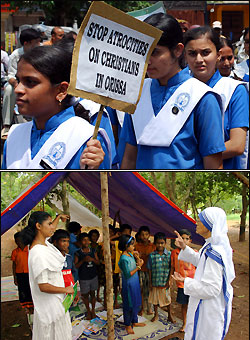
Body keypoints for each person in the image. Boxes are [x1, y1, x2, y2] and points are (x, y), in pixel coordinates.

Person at [121, 13, 225, 169]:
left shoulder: (203, 98)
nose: (147, 60)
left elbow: (214, 165)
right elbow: (129, 158)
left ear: (177, 50)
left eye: (155, 52)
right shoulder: (137, 93)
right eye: (143, 51)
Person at [1, 44, 111, 169]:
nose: (18, 89)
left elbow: (104, 188)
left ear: (61, 90)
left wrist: (94, 172)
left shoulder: (88, 140)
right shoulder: (15, 135)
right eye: (18, 80)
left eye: (30, 82)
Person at [184, 26, 249, 169]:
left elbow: (237, 145)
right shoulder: (179, 89)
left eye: (206, 52)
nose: (199, 59)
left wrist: (187, 155)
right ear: (185, 55)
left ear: (218, 54)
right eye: (192, 53)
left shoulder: (235, 90)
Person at [172, 207, 235, 340]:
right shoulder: (210, 246)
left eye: (200, 221)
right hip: (206, 305)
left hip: (208, 309)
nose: (196, 223)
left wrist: (186, 282)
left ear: (209, 225)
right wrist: (184, 247)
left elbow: (212, 289)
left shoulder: (214, 253)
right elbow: (201, 260)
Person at [18, 211, 74, 340]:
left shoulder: (44, 243)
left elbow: (50, 230)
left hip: (56, 302)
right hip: (50, 307)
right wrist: (65, 289)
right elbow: (43, 286)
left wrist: (58, 217)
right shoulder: (39, 253)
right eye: (49, 224)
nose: (52, 227)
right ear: (38, 226)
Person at [1, 28, 41, 140]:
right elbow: (10, 76)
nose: (38, 44)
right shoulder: (15, 55)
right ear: (26, 43)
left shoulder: (40, 54)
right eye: (36, 42)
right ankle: (7, 125)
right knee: (8, 90)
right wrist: (17, 85)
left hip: (35, 82)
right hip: (17, 83)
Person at [170, 229, 197, 332]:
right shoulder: (174, 253)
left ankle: (193, 323)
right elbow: (172, 266)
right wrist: (171, 280)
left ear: (190, 241)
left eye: (187, 239)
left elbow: (198, 267)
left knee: (193, 304)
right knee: (184, 304)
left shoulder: (194, 253)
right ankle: (185, 323)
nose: (185, 240)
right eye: (183, 238)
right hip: (181, 284)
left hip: (192, 282)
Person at [118, 234, 145, 335]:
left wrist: (138, 259)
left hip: (135, 283)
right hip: (128, 285)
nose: (134, 247)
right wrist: (139, 267)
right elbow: (128, 274)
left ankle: (134, 321)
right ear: (126, 246)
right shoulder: (124, 259)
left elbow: (136, 265)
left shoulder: (130, 255)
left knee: (135, 302)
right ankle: (128, 324)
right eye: (132, 245)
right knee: (128, 304)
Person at [147, 232, 174, 323]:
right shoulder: (152, 255)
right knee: (155, 300)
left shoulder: (169, 255)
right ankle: (156, 315)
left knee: (167, 299)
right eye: (158, 243)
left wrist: (170, 280)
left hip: (165, 281)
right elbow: (150, 269)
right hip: (155, 281)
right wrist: (150, 282)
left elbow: (172, 268)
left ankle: (170, 315)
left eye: (162, 243)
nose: (160, 245)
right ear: (155, 243)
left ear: (165, 243)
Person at [74, 232, 99, 320]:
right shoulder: (78, 253)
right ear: (80, 242)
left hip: (93, 276)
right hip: (84, 277)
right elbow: (76, 266)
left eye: (88, 240)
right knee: (85, 295)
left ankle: (93, 310)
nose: (86, 242)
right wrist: (83, 260)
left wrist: (92, 259)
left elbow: (98, 262)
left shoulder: (93, 250)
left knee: (93, 294)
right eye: (84, 240)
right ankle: (88, 311)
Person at [11, 232, 34, 329]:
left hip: (29, 274)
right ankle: (27, 307)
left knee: (30, 290)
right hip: (20, 274)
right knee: (23, 290)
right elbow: (14, 264)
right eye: (16, 241)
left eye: (20, 241)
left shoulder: (29, 250)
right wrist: (15, 277)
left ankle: (33, 307)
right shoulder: (15, 252)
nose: (18, 243)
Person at [134, 225, 156, 316]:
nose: (144, 237)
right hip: (140, 270)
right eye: (142, 235)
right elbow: (135, 258)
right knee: (141, 289)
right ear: (139, 236)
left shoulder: (153, 246)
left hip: (150, 271)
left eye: (146, 234)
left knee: (149, 290)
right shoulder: (137, 246)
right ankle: (142, 308)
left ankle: (149, 308)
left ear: (149, 235)